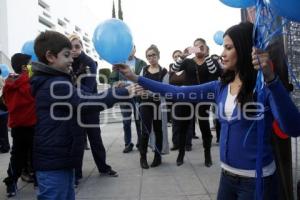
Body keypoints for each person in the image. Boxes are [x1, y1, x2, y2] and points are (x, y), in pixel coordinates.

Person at [115, 22, 300, 200]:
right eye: (224, 47)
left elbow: (293, 128)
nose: (222, 54)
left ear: (244, 49)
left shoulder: (264, 87)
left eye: (228, 48)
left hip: (257, 182)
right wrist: (135, 77)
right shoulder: (219, 87)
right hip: (227, 178)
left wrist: (272, 80)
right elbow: (177, 92)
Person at [29, 30, 136, 200]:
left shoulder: (58, 80)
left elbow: (84, 95)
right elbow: (84, 102)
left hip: (61, 158)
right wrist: (120, 93)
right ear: (50, 56)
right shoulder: (55, 84)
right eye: (66, 55)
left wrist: (114, 91)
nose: (72, 59)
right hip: (53, 161)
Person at [69, 34, 118, 187]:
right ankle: (76, 174)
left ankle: (103, 167)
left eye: (77, 46)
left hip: (90, 107)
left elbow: (89, 89)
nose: (74, 50)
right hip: (75, 108)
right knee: (76, 141)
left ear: (82, 47)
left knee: (95, 139)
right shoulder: (67, 62)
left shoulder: (89, 62)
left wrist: (74, 83)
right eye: (71, 47)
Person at [171, 38, 222, 167]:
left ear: (205, 47)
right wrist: (182, 57)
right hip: (187, 97)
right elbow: (175, 69)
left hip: (203, 99)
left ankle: (207, 154)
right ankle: (181, 154)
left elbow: (213, 71)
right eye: (196, 46)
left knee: (205, 127)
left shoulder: (211, 61)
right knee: (183, 126)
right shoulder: (188, 61)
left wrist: (206, 56)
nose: (198, 48)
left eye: (201, 46)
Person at [2, 53, 37, 197]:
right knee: (35, 155)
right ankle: (38, 180)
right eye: (30, 63)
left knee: (16, 156)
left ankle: (11, 183)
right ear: (24, 67)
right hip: (32, 125)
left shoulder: (8, 83)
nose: (32, 65)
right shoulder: (29, 82)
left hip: (16, 126)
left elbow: (6, 102)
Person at [109, 45, 147, 153]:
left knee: (139, 121)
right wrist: (116, 83)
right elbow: (111, 80)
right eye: (128, 47)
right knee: (126, 122)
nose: (130, 50)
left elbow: (146, 77)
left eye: (132, 47)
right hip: (124, 96)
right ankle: (128, 144)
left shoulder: (142, 63)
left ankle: (141, 143)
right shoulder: (119, 64)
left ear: (135, 49)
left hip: (138, 96)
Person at [138, 44, 168, 169]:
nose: (151, 58)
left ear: (158, 56)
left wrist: (150, 91)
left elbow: (165, 89)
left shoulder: (164, 71)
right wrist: (140, 91)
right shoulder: (144, 70)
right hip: (145, 103)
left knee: (158, 130)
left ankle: (158, 156)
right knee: (145, 131)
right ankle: (143, 157)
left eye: (153, 55)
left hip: (158, 104)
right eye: (149, 56)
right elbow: (138, 85)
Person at [168, 50, 194, 166]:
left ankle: (187, 144)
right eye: (176, 56)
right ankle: (176, 144)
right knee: (176, 123)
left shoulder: (188, 66)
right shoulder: (172, 69)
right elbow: (169, 84)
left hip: (188, 100)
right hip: (175, 100)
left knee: (188, 124)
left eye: (179, 55)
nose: (178, 57)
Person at [0, 70, 10, 154]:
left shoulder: (1, 80)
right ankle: (5, 146)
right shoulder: (3, 79)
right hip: (4, 108)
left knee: (2, 129)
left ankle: (4, 146)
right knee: (3, 129)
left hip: (2, 108)